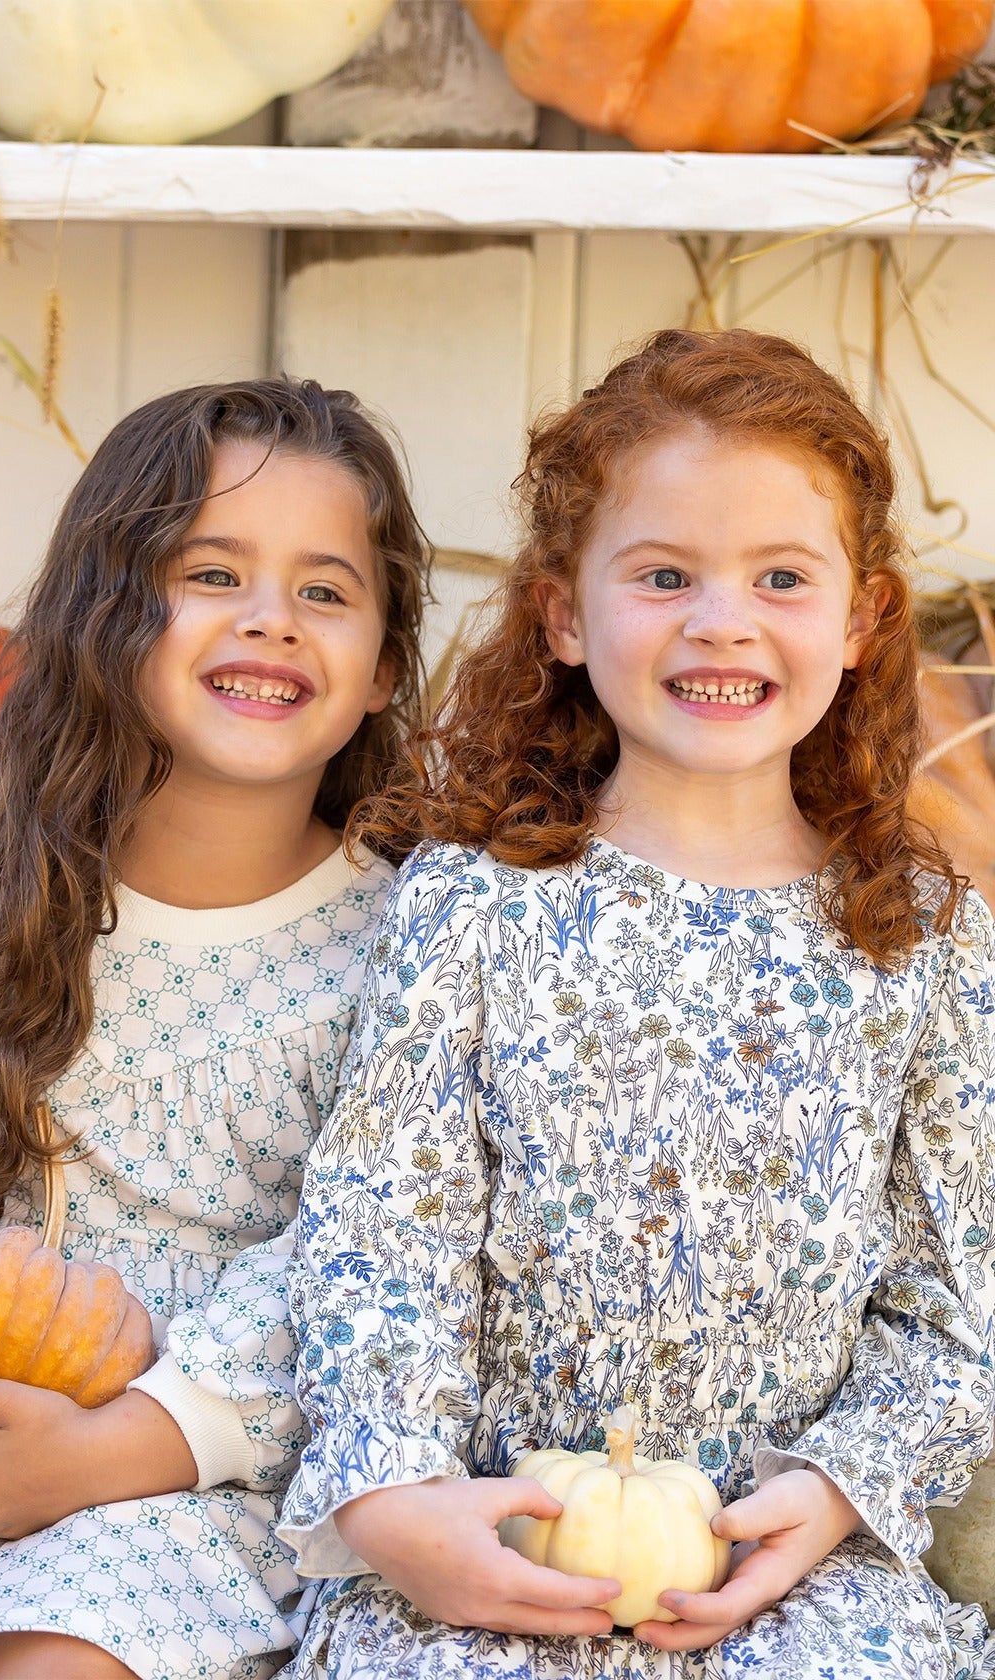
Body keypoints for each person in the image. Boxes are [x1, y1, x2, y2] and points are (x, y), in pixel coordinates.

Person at [277, 328, 995, 1679]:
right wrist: (396, 1502)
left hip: (783, 1576)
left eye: (781, 577)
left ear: (861, 618)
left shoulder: (923, 938)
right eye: (663, 575)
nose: (721, 620)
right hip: (498, 1546)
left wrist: (839, 1487)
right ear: (561, 614)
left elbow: (958, 1287)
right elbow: (385, 1237)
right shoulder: (475, 908)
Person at [0, 376, 429, 1680]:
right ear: (103, 618)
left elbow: (355, 1266)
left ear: (380, 673)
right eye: (211, 571)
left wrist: (126, 1444)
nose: (271, 618)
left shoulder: (408, 953)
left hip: (179, 1459)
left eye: (325, 591)